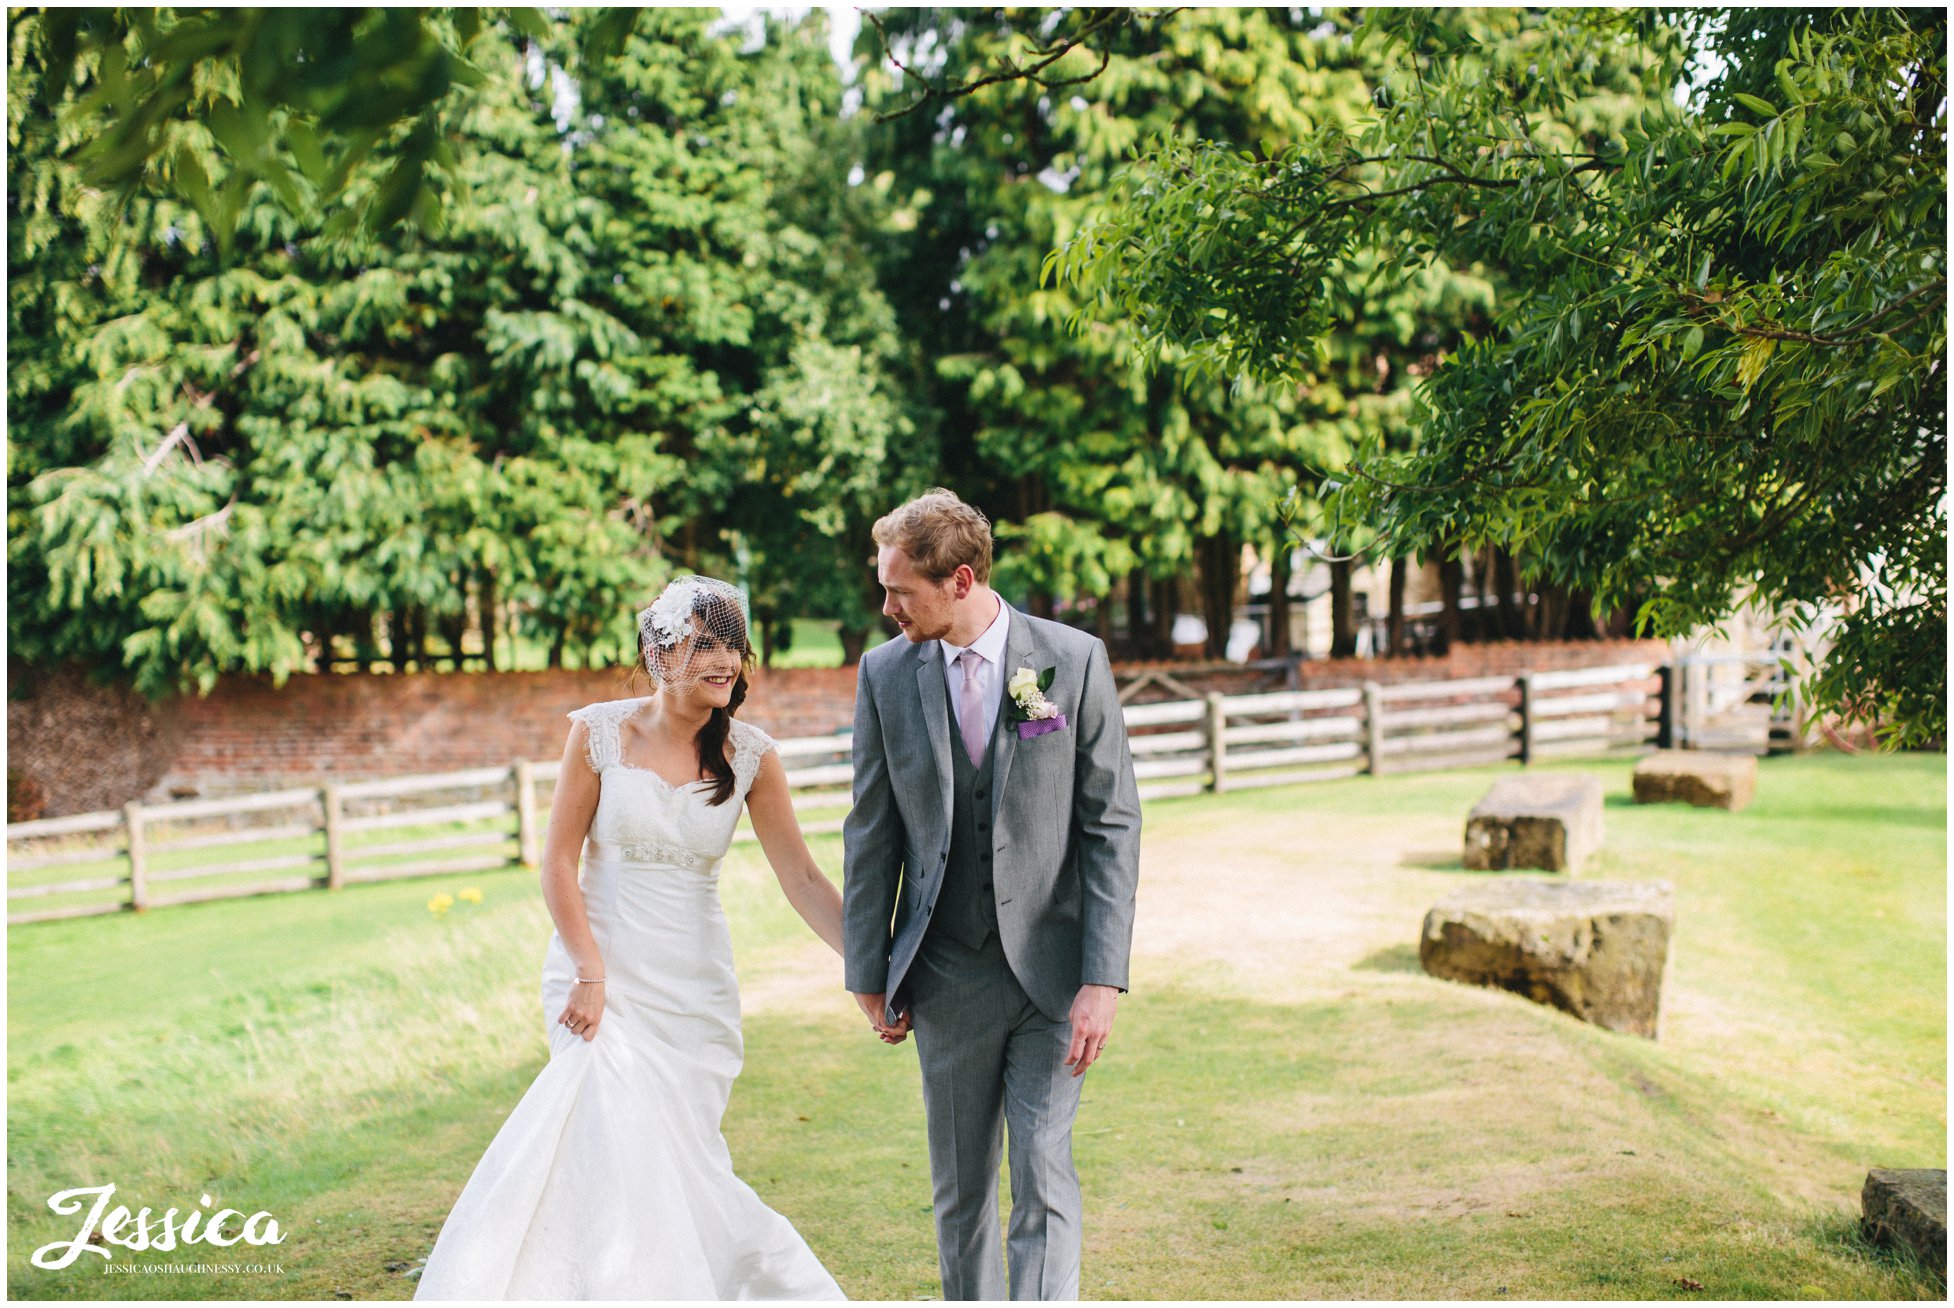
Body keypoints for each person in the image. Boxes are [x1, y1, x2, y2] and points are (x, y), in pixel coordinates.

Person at [416, 576, 847, 1301]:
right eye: (704, 642)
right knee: (608, 1134)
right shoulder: (599, 733)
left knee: (683, 1162)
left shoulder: (751, 756)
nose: (724, 659)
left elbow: (803, 878)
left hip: (693, 984)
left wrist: (873, 969)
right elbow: (557, 859)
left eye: (733, 644)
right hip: (602, 972)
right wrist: (588, 967)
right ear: (659, 651)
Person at [842, 489, 1142, 1300]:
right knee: (962, 1192)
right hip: (945, 977)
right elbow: (871, 831)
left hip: (1055, 972)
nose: (886, 605)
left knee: (1043, 1171)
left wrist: (1103, 978)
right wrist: (870, 972)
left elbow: (1112, 823)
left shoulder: (1069, 662)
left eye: (901, 590)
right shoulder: (884, 675)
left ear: (962, 579)